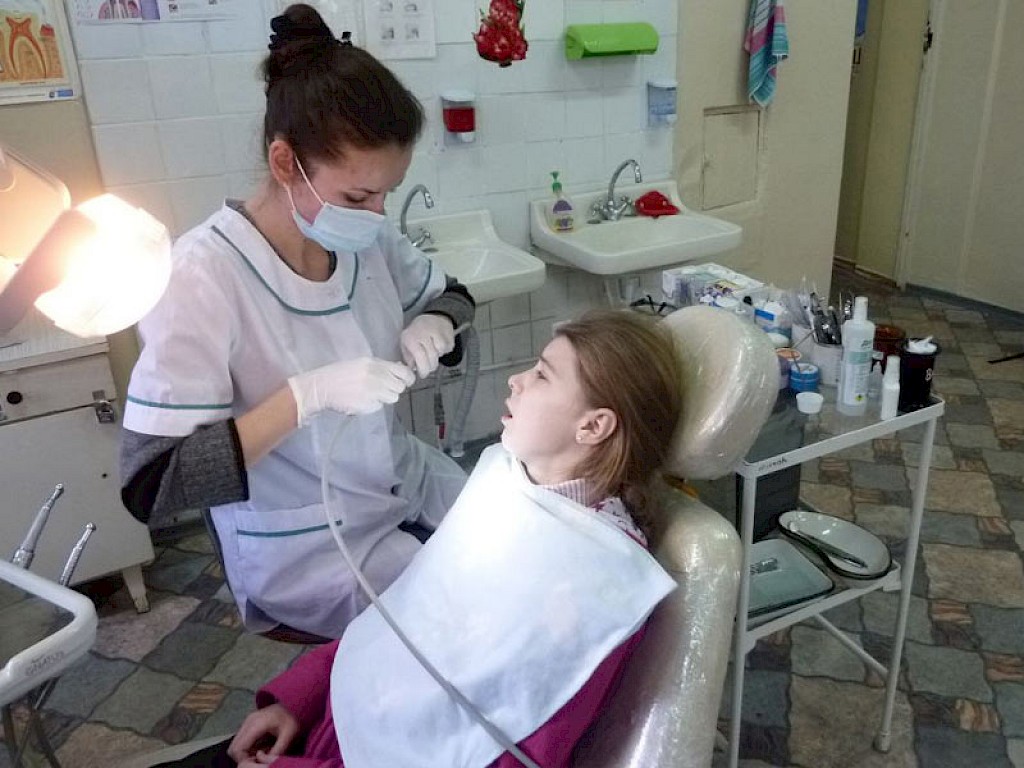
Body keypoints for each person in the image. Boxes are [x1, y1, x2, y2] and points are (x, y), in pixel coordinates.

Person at [119, 4, 474, 640]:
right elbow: (154, 485)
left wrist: (439, 324)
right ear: (285, 164)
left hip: (401, 482)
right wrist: (304, 398)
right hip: (306, 543)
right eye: (357, 196)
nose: (376, 213)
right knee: (459, 623)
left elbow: (454, 297)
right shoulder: (201, 275)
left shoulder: (367, 238)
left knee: (514, 555)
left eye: (387, 193)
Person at [215, 310, 683, 768]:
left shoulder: (592, 591)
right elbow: (403, 623)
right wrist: (301, 699)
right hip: (336, 723)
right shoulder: (511, 486)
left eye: (541, 375)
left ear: (593, 426)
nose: (516, 380)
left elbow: (502, 752)